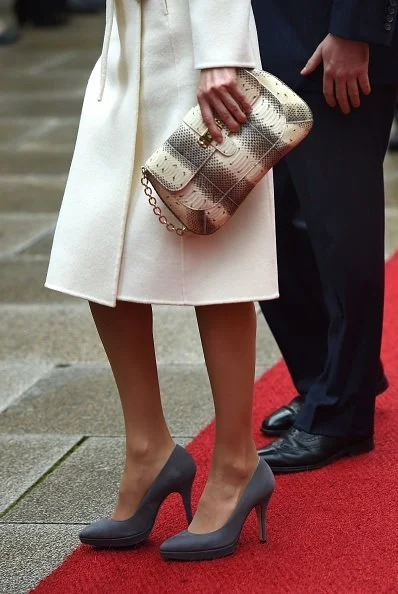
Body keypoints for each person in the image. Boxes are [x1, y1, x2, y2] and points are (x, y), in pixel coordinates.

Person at [45, 0, 277, 560]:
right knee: (97, 247)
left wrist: (223, 51)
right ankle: (148, 448)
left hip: (198, 47)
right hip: (125, 45)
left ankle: (237, 461)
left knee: (216, 253)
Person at [252, 0, 398, 473]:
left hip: (335, 41)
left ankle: (341, 414)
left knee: (340, 233)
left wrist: (355, 29)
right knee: (269, 229)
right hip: (265, 43)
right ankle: (325, 380)